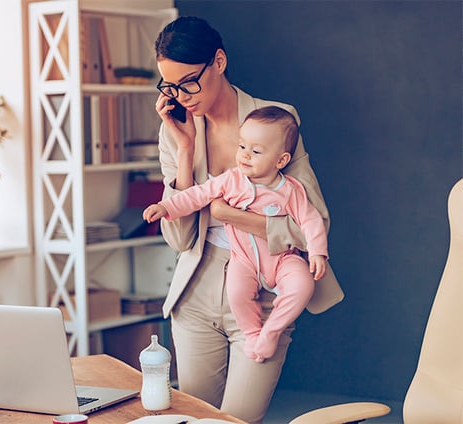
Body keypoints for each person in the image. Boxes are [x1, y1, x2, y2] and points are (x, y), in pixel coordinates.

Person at [152, 16, 344, 423]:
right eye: (169, 86)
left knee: (238, 420)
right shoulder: (174, 131)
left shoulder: (275, 120)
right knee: (194, 419)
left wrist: (230, 215)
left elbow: (312, 225)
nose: (181, 96)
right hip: (197, 293)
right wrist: (184, 153)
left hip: (264, 290)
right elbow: (181, 240)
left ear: (218, 62)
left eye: (189, 82)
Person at [143, 106, 328, 363]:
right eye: (242, 147)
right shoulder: (231, 180)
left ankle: (271, 330)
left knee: (303, 285)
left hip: (283, 258)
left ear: (281, 160)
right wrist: (166, 207)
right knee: (237, 291)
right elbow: (198, 195)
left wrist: (318, 252)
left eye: (256, 151)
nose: (245, 156)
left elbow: (311, 220)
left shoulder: (290, 189)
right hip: (244, 261)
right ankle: (253, 334)